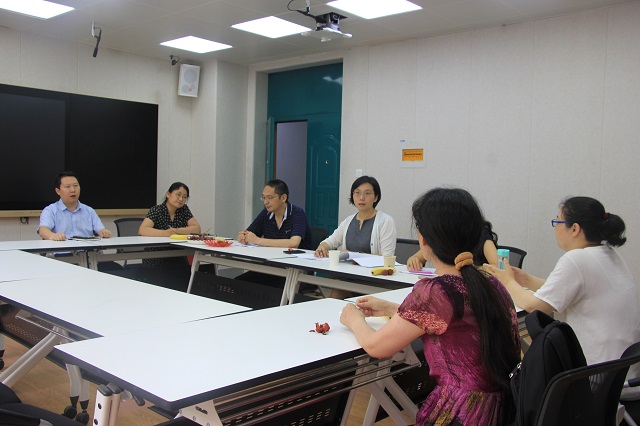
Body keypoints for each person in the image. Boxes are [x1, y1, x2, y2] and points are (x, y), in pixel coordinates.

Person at [340, 188, 521, 426]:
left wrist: (354, 319)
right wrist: (392, 308)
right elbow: (458, 320)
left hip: (461, 412)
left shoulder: (435, 292)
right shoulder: (491, 282)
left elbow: (377, 346)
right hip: (505, 408)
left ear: (423, 240)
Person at [485, 196, 640, 383]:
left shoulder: (576, 259)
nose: (555, 228)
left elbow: (535, 306)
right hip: (624, 374)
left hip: (596, 378)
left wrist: (507, 281)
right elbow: (562, 290)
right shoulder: (607, 253)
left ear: (574, 229)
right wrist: (525, 279)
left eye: (557, 221)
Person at [314, 176, 396, 257]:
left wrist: (352, 255)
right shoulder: (348, 221)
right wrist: (322, 247)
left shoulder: (385, 221)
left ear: (376, 197)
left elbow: (387, 257)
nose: (361, 198)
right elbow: (330, 241)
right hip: (344, 266)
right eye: (357, 193)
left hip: (372, 267)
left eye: (367, 193)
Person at [138, 182, 201, 269]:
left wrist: (177, 231)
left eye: (184, 197)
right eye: (178, 195)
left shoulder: (184, 210)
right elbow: (142, 230)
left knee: (187, 272)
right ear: (168, 194)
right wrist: (167, 233)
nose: (181, 199)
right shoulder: (157, 210)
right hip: (156, 256)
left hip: (178, 255)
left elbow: (197, 229)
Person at [237, 179, 312, 249]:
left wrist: (258, 240)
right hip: (271, 256)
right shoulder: (266, 213)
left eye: (269, 198)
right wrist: (243, 236)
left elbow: (294, 243)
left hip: (296, 257)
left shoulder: (297, 213)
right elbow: (248, 234)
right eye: (264, 198)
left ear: (283, 198)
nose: (265, 202)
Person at [39, 171, 112, 241]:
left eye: (76, 186)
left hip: (86, 248)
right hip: (62, 248)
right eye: (68, 186)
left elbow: (100, 230)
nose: (73, 190)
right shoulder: (50, 210)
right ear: (58, 191)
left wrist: (104, 232)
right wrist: (53, 236)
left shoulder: (89, 211)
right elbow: (43, 230)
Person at [406, 220, 498, 271]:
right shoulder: (446, 233)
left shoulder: (481, 235)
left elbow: (498, 266)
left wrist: (472, 268)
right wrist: (414, 260)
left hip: (476, 286)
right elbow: (419, 256)